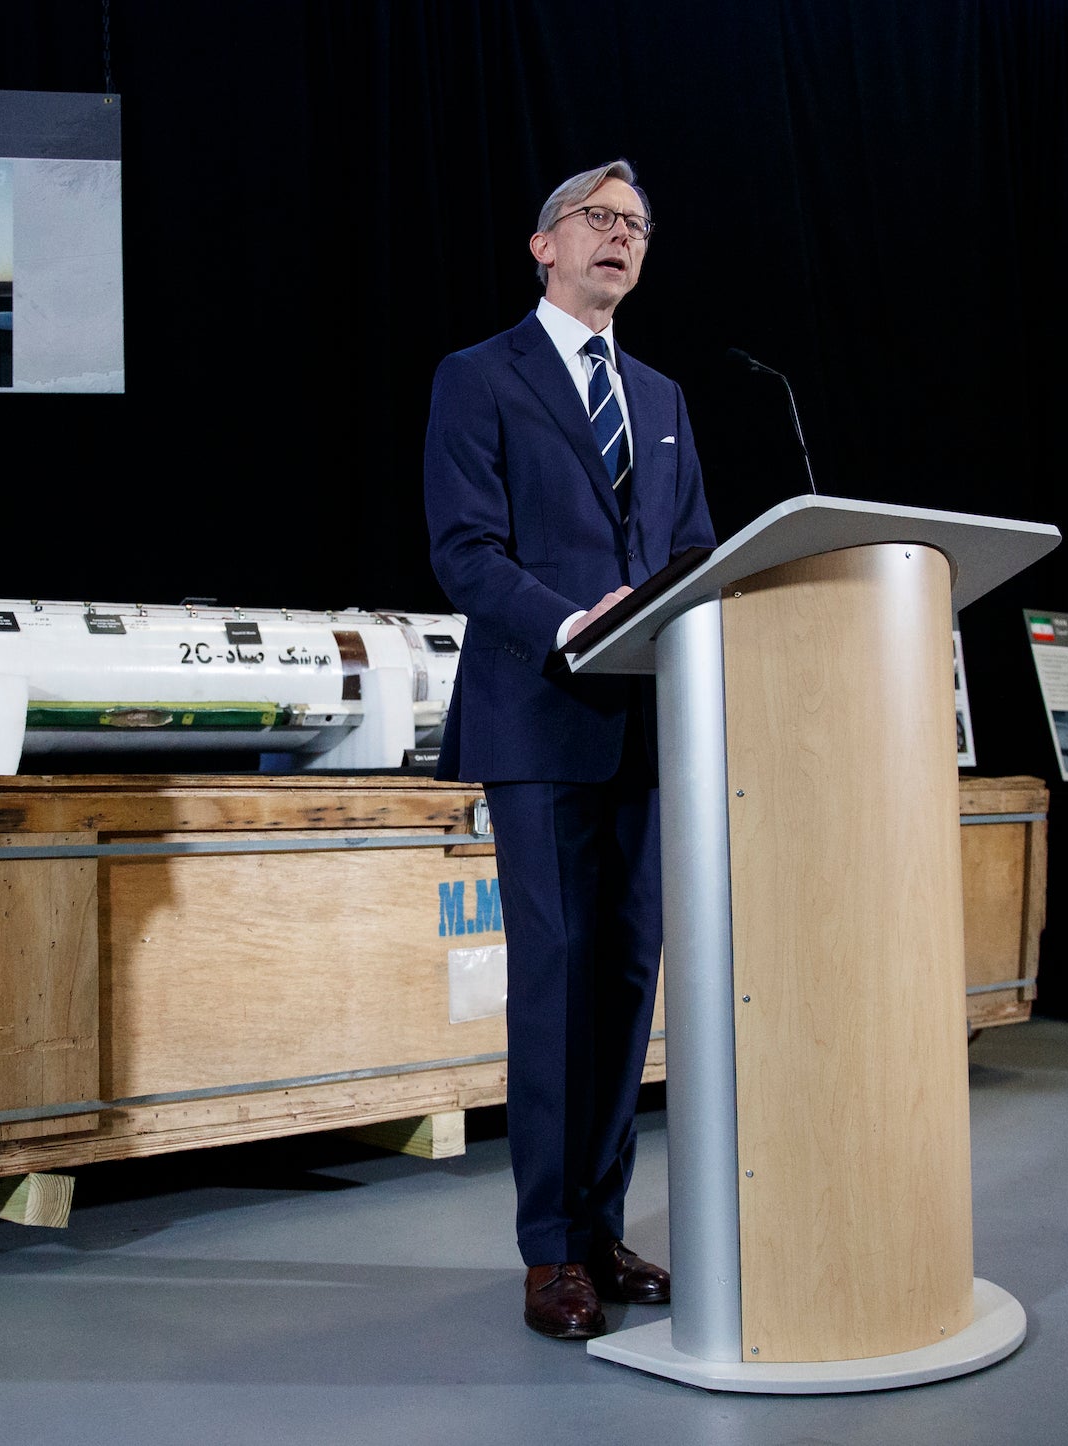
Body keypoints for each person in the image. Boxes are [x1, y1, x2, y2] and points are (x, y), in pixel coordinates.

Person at [422, 159, 716, 1339]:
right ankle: (547, 1252)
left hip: (649, 733)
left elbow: (693, 552)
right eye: (597, 218)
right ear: (540, 245)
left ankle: (599, 1226)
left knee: (623, 984)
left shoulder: (660, 393)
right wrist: (568, 619)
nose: (619, 238)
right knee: (551, 986)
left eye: (636, 225)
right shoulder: (474, 377)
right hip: (538, 719)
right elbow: (463, 548)